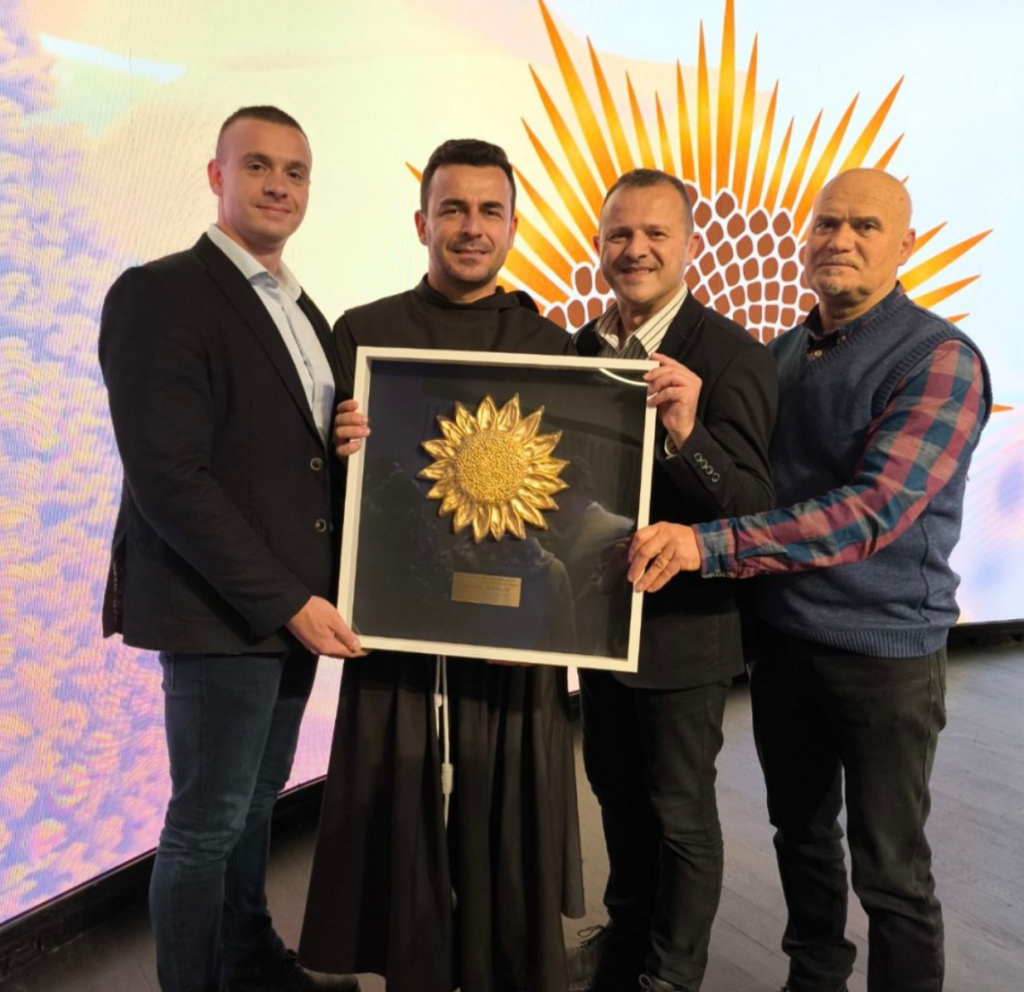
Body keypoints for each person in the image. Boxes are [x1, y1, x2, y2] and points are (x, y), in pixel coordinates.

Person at [627, 168, 992, 992]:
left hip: (885, 653)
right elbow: (747, 481)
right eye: (827, 223)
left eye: (865, 226)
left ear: (906, 245)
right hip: (784, 640)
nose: (841, 240)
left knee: (891, 872)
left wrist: (707, 545)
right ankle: (814, 978)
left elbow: (869, 513)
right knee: (800, 835)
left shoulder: (940, 360)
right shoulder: (782, 354)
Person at [298, 139, 585, 992]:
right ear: (421, 222)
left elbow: (571, 499)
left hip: (512, 629)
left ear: (513, 226)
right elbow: (329, 486)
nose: (471, 227)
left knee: (507, 807)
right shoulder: (364, 332)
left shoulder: (552, 344)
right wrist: (338, 445)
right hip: (398, 614)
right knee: (399, 803)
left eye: (490, 211)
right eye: (452, 209)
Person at [99, 106, 362, 992]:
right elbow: (169, 478)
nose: (278, 184)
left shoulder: (301, 308)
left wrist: (347, 439)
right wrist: (288, 601)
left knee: (252, 809)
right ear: (217, 176)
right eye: (257, 165)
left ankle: (249, 962)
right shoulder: (161, 293)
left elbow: (286, 456)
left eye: (295, 170)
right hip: (224, 614)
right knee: (206, 826)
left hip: (292, 613)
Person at [567, 169, 778, 992]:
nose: (637, 249)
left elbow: (755, 511)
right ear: (599, 245)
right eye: (620, 234)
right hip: (597, 625)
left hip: (687, 632)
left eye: (656, 233)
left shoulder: (732, 355)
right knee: (616, 794)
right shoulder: (580, 350)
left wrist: (688, 432)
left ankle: (672, 976)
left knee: (679, 811)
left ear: (689, 244)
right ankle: (626, 944)